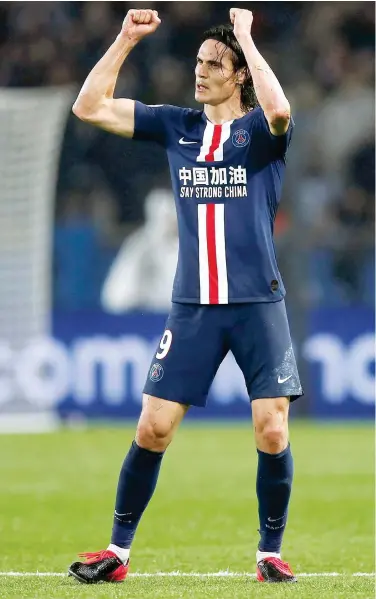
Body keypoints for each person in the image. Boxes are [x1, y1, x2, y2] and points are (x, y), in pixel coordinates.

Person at [68, 7, 303, 585]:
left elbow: (279, 110)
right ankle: (116, 554)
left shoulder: (258, 134)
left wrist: (245, 36)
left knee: (272, 430)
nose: (199, 73)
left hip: (257, 304)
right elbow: (89, 106)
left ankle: (268, 554)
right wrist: (125, 39)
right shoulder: (178, 126)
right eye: (197, 62)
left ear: (239, 73)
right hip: (194, 305)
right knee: (152, 428)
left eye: (213, 64)